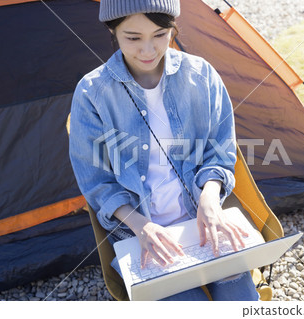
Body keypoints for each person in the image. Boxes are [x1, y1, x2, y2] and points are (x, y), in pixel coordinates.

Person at [69, 0, 259, 301]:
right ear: (112, 31)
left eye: (160, 34)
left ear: (173, 28)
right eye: (133, 38)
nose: (148, 50)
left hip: (204, 221)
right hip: (141, 233)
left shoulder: (202, 75)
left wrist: (210, 200)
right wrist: (141, 226)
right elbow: (97, 183)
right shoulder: (92, 93)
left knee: (242, 300)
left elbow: (220, 152)